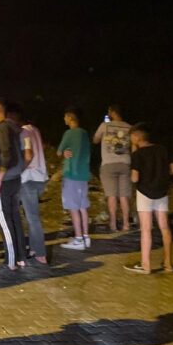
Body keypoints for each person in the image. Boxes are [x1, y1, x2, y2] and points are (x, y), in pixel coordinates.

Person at [125, 123, 173, 274]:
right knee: (164, 227)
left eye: (132, 136)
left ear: (137, 137)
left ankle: (146, 265)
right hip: (162, 192)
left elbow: (134, 178)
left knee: (146, 229)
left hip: (145, 193)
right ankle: (168, 263)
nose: (130, 138)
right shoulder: (162, 149)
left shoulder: (137, 155)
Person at [0, 98, 27, 271]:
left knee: (4, 220)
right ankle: (20, 257)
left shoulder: (2, 128)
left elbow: (6, 154)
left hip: (5, 181)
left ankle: (9, 262)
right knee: (14, 218)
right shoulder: (15, 127)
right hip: (16, 178)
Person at [9, 104, 49, 265]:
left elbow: (28, 155)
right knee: (31, 215)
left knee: (32, 217)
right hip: (40, 178)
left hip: (29, 179)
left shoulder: (23, 132)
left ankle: (40, 253)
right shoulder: (35, 130)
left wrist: (18, 170)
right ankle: (34, 248)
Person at [93, 104, 133, 231]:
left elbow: (95, 140)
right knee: (124, 196)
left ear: (111, 112)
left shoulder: (105, 125)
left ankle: (113, 224)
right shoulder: (129, 127)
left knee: (111, 196)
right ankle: (126, 224)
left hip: (109, 164)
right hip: (125, 163)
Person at [58, 107, 93, 250]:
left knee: (73, 207)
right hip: (84, 175)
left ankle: (78, 240)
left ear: (70, 118)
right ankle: (85, 237)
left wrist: (64, 152)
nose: (64, 120)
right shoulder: (84, 133)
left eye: (65, 117)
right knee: (82, 206)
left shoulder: (69, 133)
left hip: (71, 173)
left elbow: (59, 151)